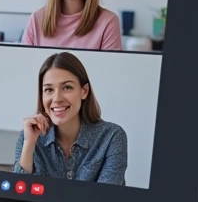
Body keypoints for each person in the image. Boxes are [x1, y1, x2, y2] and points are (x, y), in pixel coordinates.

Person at [13, 52, 128, 185]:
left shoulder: (112, 137)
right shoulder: (27, 137)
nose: (56, 99)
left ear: (84, 91)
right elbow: (17, 195)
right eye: (49, 90)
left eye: (67, 87)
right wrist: (29, 143)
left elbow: (105, 201)